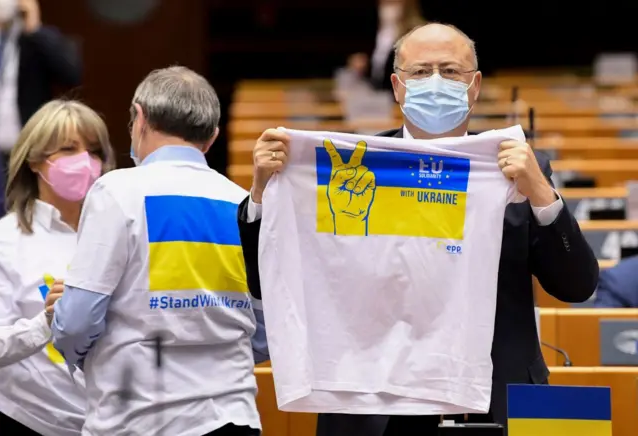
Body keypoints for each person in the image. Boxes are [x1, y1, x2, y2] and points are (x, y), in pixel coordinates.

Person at [237, 23, 599, 435]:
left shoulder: (518, 170)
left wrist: (540, 194)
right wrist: (263, 192)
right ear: (397, 86)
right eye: (421, 72)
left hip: (488, 403)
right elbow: (264, 283)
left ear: (475, 85)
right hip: (371, 404)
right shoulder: (349, 169)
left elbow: (578, 286)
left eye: (450, 71)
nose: (436, 82)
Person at [52, 66, 266, 436]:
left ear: (140, 116)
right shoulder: (242, 203)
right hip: (233, 416)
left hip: (139, 420)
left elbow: (76, 322)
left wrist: (81, 348)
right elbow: (263, 333)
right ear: (212, 137)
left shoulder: (116, 191)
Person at [0, 99, 114, 436]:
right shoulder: (6, 241)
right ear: (35, 161)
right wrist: (46, 322)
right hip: (30, 420)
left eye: (94, 151)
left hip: (114, 422)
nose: (86, 162)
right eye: (69, 149)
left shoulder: (121, 232)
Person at [0, 0, 82, 216]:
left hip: (28, 145)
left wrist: (35, 28)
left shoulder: (35, 38)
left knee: (28, 211)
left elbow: (71, 73)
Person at [346, 0, 425, 91]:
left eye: (392, 3)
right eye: (384, 3)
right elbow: (378, 71)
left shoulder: (416, 33)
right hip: (378, 97)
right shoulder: (377, 32)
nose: (387, 8)